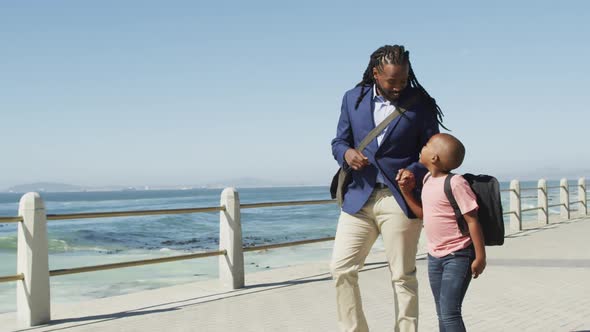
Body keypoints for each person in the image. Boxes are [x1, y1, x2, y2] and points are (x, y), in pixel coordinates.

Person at [330, 44, 444, 332]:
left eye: (403, 80)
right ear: (376, 73)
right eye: (392, 81)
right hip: (359, 198)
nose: (398, 87)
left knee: (402, 275)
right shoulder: (351, 98)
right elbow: (339, 141)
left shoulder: (420, 103)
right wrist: (347, 154)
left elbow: (434, 149)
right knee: (341, 269)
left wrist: (414, 171)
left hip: (399, 199)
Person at [397, 133, 486, 332]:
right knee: (441, 312)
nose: (423, 146)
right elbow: (423, 215)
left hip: (459, 255)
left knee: (450, 312)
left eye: (427, 145)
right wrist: (406, 192)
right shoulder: (428, 179)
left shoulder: (456, 183)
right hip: (435, 256)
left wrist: (480, 257)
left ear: (434, 157)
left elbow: (473, 221)